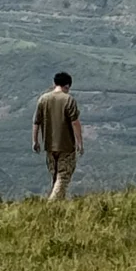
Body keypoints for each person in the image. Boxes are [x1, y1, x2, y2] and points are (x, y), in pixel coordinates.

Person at [32, 72, 83, 202]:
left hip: (49, 145)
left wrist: (35, 141)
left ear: (54, 83)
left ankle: (59, 206)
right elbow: (75, 123)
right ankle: (52, 204)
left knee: (55, 176)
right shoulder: (68, 99)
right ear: (67, 85)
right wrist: (79, 143)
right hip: (66, 145)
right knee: (63, 176)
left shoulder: (43, 99)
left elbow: (36, 122)